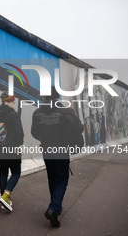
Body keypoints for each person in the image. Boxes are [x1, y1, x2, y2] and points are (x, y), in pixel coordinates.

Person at [31, 87, 83, 227]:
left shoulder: (38, 112)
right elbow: (80, 128)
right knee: (61, 181)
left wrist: (45, 138)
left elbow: (34, 132)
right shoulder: (66, 111)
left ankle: (56, 205)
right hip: (61, 151)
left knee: (52, 178)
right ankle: (54, 208)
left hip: (47, 151)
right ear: (57, 97)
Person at [0, 91, 24, 212]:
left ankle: (6, 201)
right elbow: (20, 133)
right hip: (11, 149)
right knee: (16, 173)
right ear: (11, 101)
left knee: (3, 174)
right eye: (13, 100)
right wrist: (18, 143)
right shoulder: (13, 114)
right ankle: (5, 196)